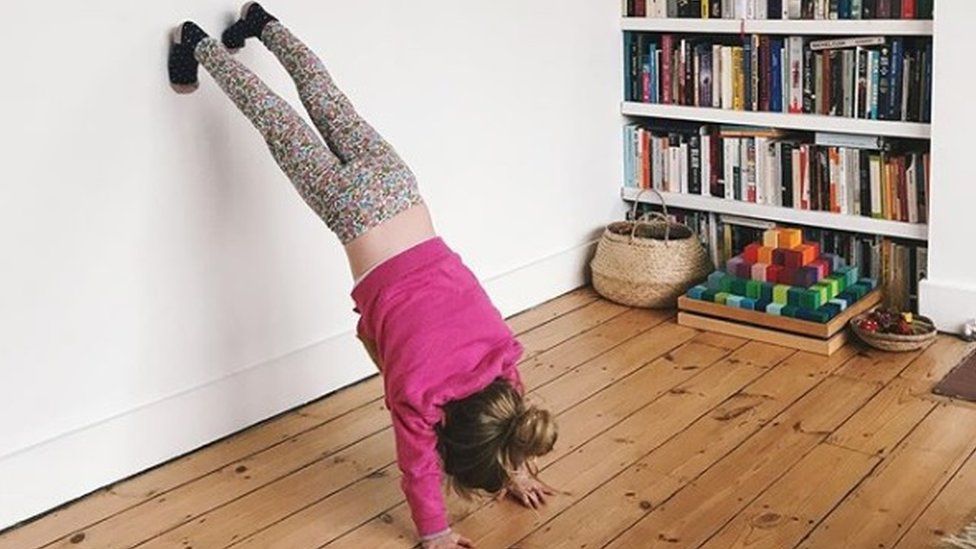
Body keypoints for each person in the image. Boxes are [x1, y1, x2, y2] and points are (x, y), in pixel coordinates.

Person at [168, 4, 558, 547]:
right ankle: (196, 44)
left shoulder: (503, 358)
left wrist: (511, 465)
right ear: (446, 435)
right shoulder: (419, 398)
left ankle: (262, 24)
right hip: (350, 209)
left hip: (398, 185)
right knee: (275, 120)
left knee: (324, 97)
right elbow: (416, 468)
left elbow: (509, 410)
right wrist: (435, 533)